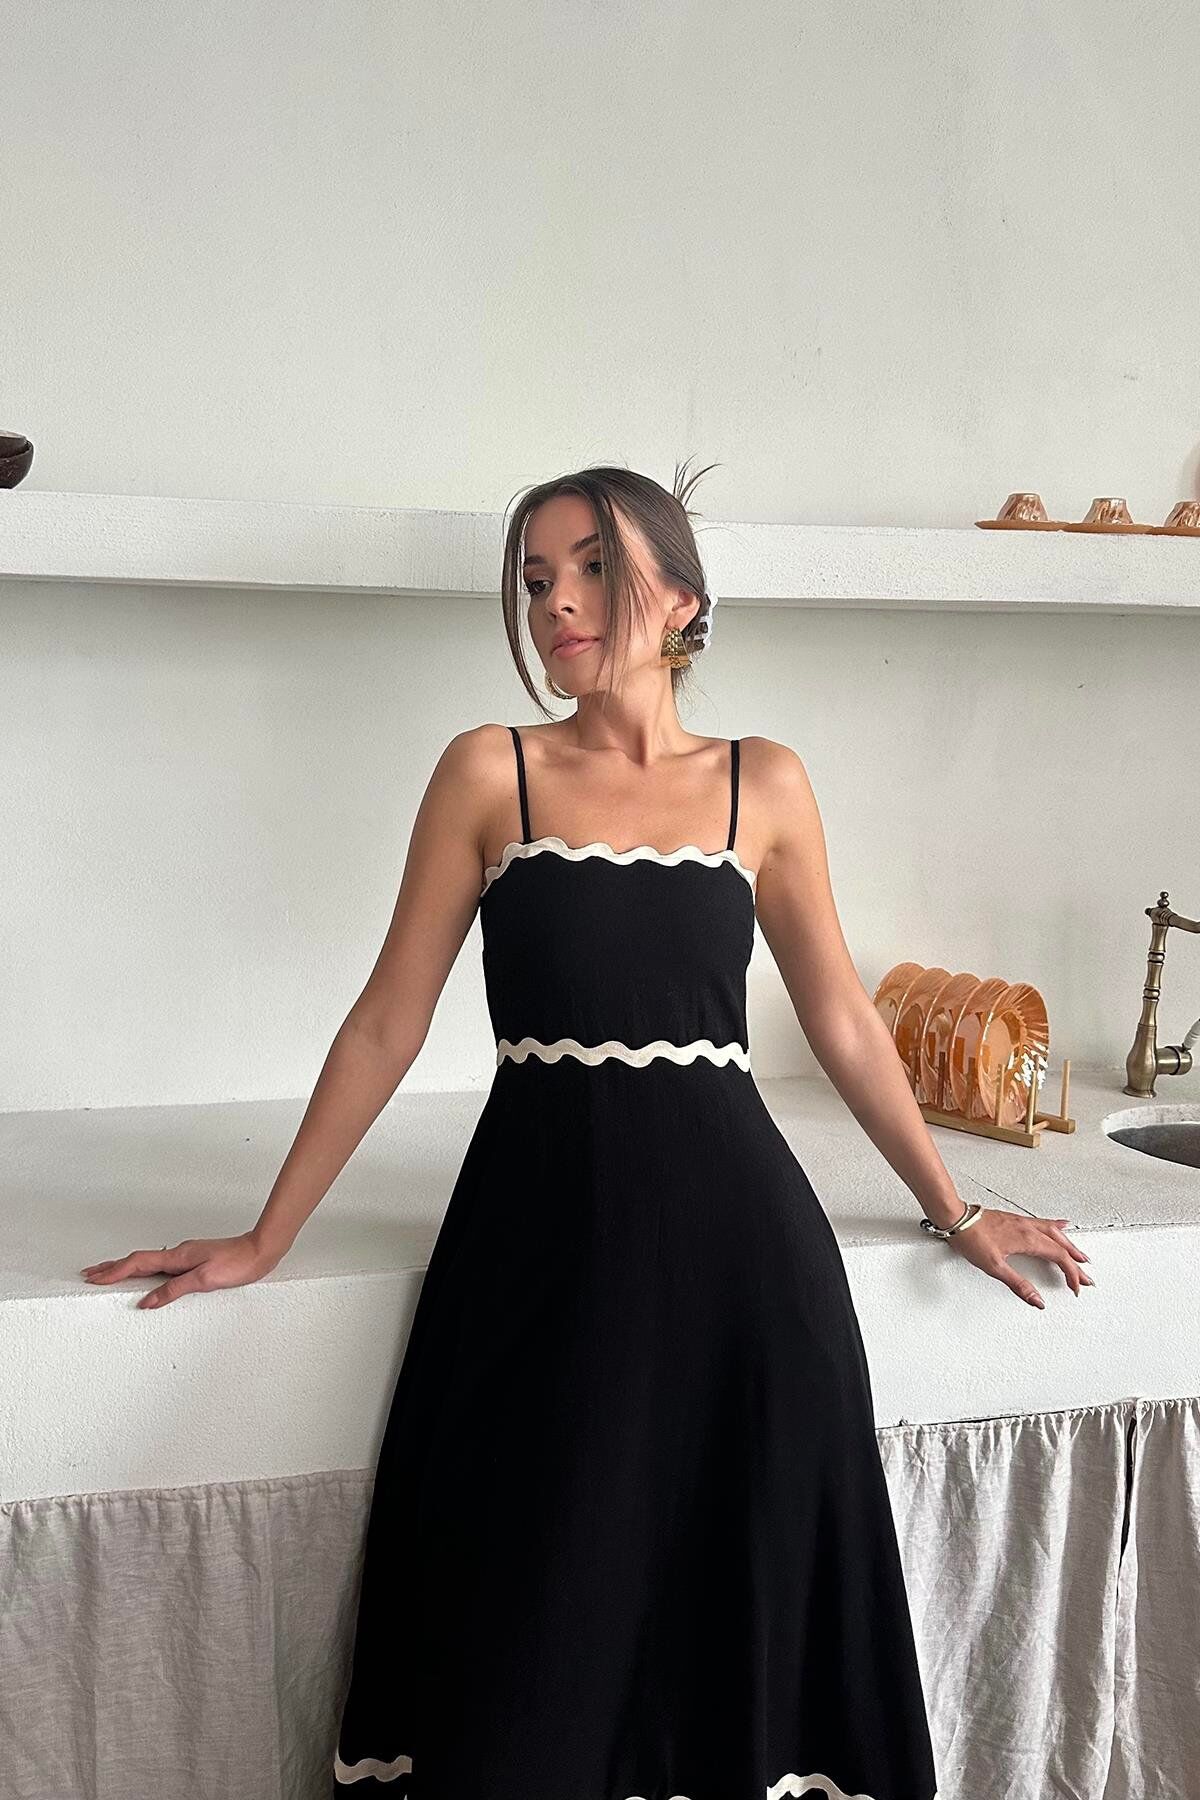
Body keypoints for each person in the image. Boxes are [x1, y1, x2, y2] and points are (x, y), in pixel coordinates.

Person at [82, 459, 1092, 1799]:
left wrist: (955, 1211)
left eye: (595, 568)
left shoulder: (764, 784)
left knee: (732, 1651)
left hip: (747, 1277)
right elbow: (386, 1022)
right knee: (531, 1643)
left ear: (681, 596)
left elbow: (844, 1019)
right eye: (537, 578)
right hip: (537, 1258)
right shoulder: (487, 772)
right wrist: (268, 1238)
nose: (557, 601)